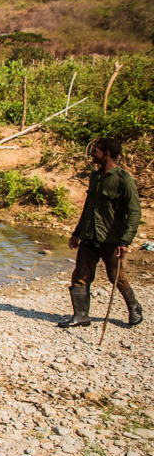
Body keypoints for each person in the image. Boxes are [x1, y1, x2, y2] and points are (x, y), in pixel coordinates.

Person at [59, 138, 143, 328]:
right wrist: (77, 232)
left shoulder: (124, 180)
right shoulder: (95, 177)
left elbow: (135, 212)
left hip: (111, 239)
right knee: (80, 275)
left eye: (95, 151)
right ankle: (81, 316)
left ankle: (134, 306)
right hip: (89, 236)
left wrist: (125, 241)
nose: (91, 154)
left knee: (116, 277)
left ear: (106, 154)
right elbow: (88, 207)